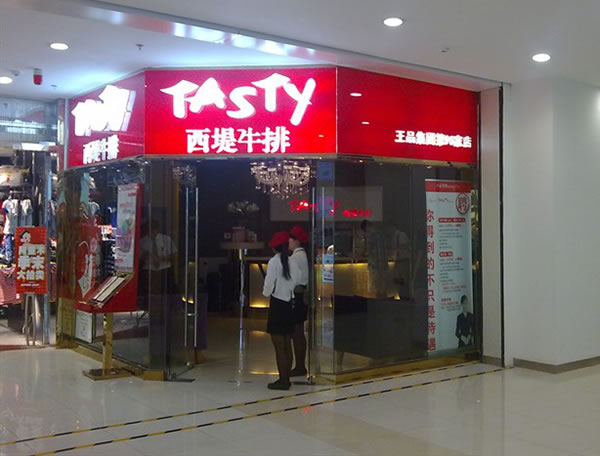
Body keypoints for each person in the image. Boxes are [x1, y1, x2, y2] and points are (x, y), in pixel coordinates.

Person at [263, 231, 300, 390]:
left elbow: (269, 283)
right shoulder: (293, 262)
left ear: (275, 247)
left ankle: (283, 380)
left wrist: (266, 293)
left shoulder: (273, 262)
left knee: (279, 346)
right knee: (287, 344)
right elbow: (297, 279)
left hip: (277, 304)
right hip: (290, 304)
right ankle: (286, 378)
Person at [288, 225, 309, 378]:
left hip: (297, 296)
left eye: (291, 238)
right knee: (299, 332)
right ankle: (300, 365)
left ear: (297, 241)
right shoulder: (303, 255)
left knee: (297, 333)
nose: (288, 241)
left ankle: (300, 365)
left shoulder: (295, 258)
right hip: (302, 296)